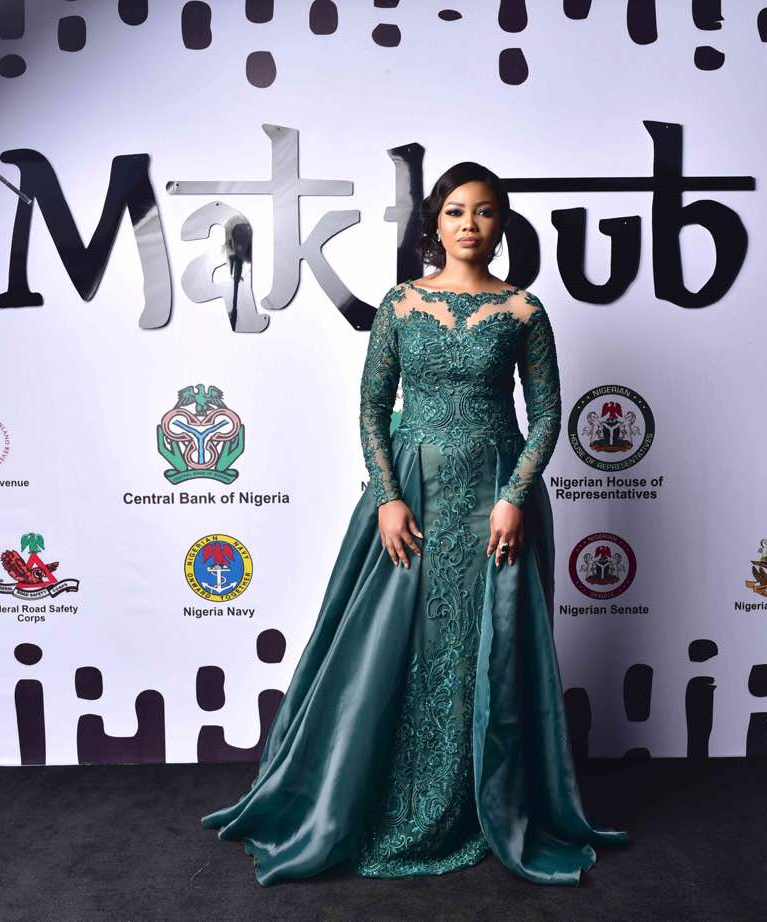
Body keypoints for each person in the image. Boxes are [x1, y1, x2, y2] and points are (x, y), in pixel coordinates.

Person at [200, 161, 629, 886]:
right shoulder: (400, 304)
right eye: (456, 211)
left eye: (484, 211)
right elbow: (373, 407)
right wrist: (387, 496)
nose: (470, 224)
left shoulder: (524, 311)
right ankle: (373, 802)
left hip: (496, 498)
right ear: (436, 222)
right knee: (389, 650)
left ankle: (478, 804)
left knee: (486, 650)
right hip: (411, 495)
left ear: (501, 223)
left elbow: (548, 413)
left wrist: (515, 494)